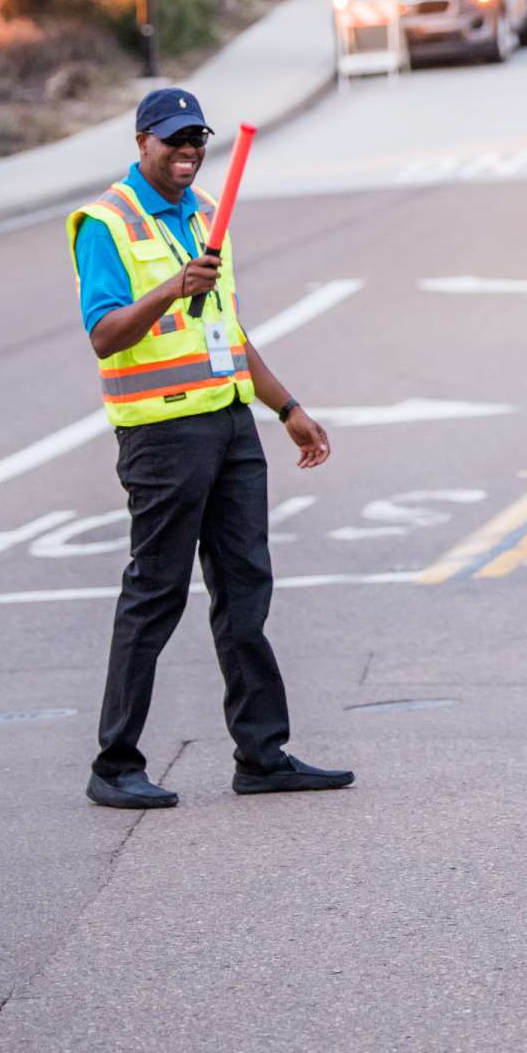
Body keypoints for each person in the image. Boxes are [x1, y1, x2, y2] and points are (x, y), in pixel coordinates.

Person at [68, 88, 352, 810]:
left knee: (245, 590)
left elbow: (224, 328)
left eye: (197, 138)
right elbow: (104, 335)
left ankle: (262, 753)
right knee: (155, 595)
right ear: (142, 143)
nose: (188, 150)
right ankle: (115, 763)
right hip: (163, 436)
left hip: (230, 425)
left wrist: (285, 407)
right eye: (174, 139)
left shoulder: (201, 215)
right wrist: (172, 286)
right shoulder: (107, 224)